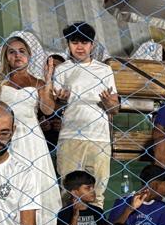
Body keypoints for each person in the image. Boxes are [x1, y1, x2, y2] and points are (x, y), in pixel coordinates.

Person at [0, 31, 61, 225]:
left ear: (29, 56)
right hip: (5, 138)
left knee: (38, 185)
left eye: (22, 51)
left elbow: (47, 109)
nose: (17, 56)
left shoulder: (38, 82)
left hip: (32, 140)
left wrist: (49, 79)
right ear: (6, 57)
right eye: (12, 52)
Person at [49, 22, 120, 202]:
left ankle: (95, 221)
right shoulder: (62, 70)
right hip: (70, 136)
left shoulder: (104, 70)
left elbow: (115, 109)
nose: (79, 47)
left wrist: (108, 102)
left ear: (92, 45)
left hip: (99, 137)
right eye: (75, 42)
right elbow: (54, 108)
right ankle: (68, 221)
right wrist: (61, 101)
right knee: (68, 192)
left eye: (84, 42)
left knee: (97, 193)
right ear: (68, 44)